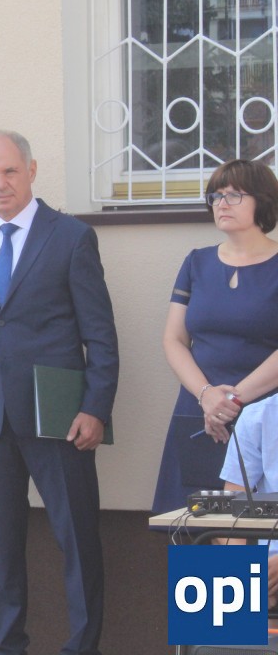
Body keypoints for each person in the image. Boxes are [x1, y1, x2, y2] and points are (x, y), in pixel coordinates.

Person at [0, 131, 118, 655]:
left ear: (32, 170)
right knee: (0, 551)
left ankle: (83, 647)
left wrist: (95, 407)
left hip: (59, 414)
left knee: (77, 542)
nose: (0, 183)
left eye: (10, 171)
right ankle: (7, 647)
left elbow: (100, 334)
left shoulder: (71, 237)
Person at [152, 159, 278, 515]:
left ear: (263, 200)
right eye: (216, 195)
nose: (221, 203)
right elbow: (174, 340)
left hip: (264, 414)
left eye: (234, 194)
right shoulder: (197, 262)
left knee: (252, 524)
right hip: (199, 409)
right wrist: (207, 395)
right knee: (196, 523)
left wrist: (232, 401)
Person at [220, 393, 278, 607]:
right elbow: (231, 505)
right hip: (264, 554)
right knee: (207, 575)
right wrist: (245, 567)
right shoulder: (257, 415)